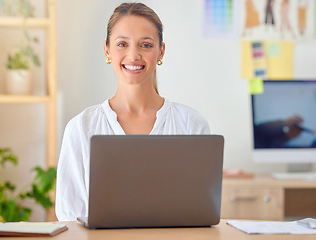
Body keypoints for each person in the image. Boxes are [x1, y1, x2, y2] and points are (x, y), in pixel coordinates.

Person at [55, 2, 210, 221]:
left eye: (146, 45)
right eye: (122, 44)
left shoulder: (191, 124)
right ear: (107, 50)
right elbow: (70, 218)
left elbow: (200, 212)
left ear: (161, 51)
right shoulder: (81, 128)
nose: (134, 55)